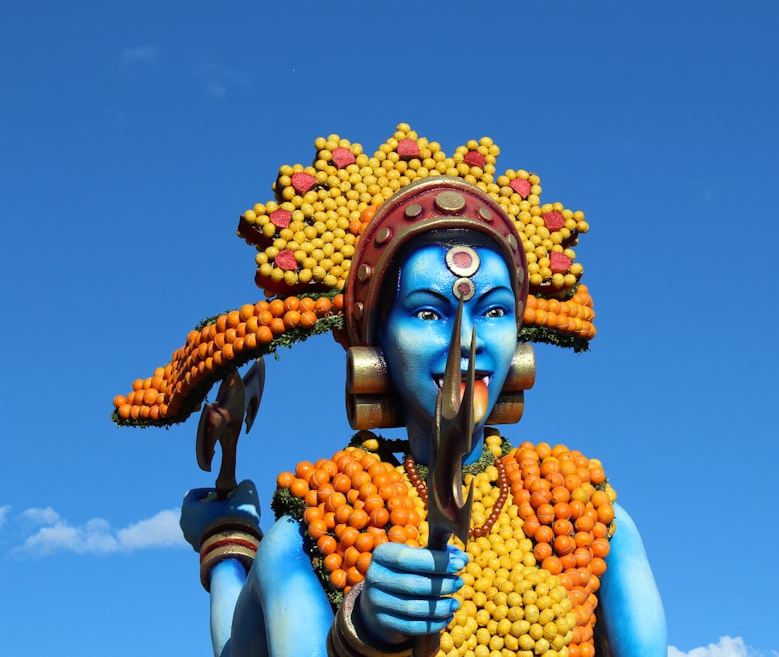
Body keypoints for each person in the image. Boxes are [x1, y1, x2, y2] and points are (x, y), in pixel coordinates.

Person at [117, 127, 666, 656]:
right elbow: (245, 649)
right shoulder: (321, 522)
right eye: (429, 312)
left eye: (494, 310)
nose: (466, 341)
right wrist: (357, 628)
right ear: (376, 343)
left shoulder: (582, 510)